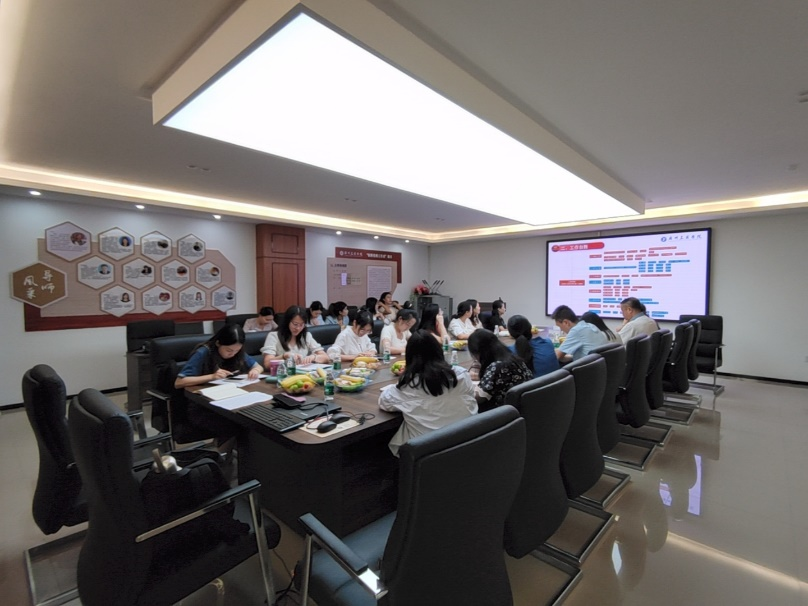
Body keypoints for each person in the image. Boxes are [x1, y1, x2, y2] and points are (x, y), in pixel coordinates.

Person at [378, 330, 477, 456]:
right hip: (469, 446)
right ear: (438, 351)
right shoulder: (461, 375)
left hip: (429, 455)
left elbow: (384, 402)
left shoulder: (408, 387)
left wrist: (400, 383)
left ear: (409, 358)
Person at [174, 324, 262, 451]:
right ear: (218, 343)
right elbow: (179, 382)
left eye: (237, 351)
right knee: (236, 425)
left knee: (250, 420)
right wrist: (211, 376)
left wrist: (255, 371)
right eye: (229, 350)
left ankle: (234, 455)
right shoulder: (203, 352)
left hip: (229, 402)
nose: (233, 354)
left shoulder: (237, 352)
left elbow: (257, 366)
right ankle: (223, 457)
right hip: (204, 408)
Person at [468, 330, 533, 412]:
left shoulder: (496, 367)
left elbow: (478, 398)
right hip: (522, 409)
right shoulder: (514, 358)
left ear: (479, 352)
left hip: (504, 413)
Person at [261, 305, 329, 365]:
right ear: (287, 321)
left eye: (301, 325)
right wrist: (284, 356)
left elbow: (326, 357)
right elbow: (267, 363)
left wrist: (314, 357)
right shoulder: (273, 336)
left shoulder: (306, 336)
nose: (298, 328)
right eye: (295, 324)